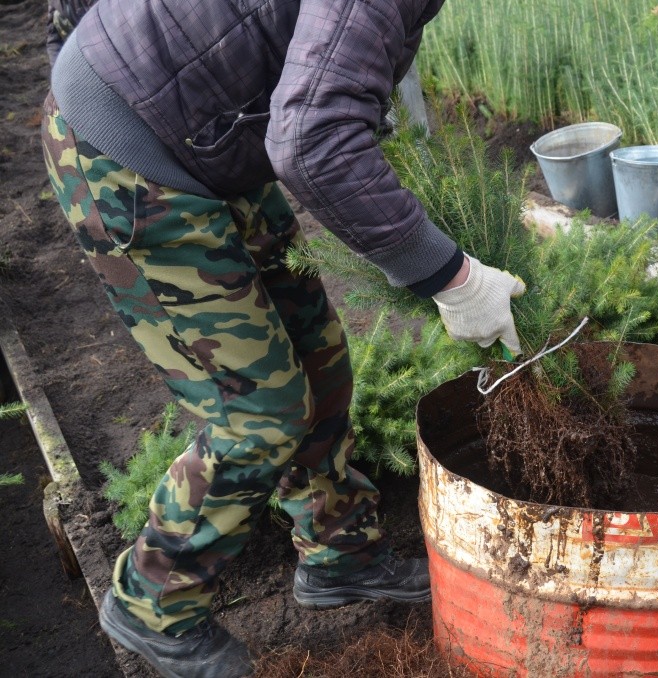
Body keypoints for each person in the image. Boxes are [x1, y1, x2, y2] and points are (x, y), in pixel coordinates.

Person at [40, 1, 525, 676]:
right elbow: (312, 142)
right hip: (127, 151)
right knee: (256, 415)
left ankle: (339, 554)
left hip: (214, 136)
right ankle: (152, 599)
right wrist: (452, 276)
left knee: (320, 356)